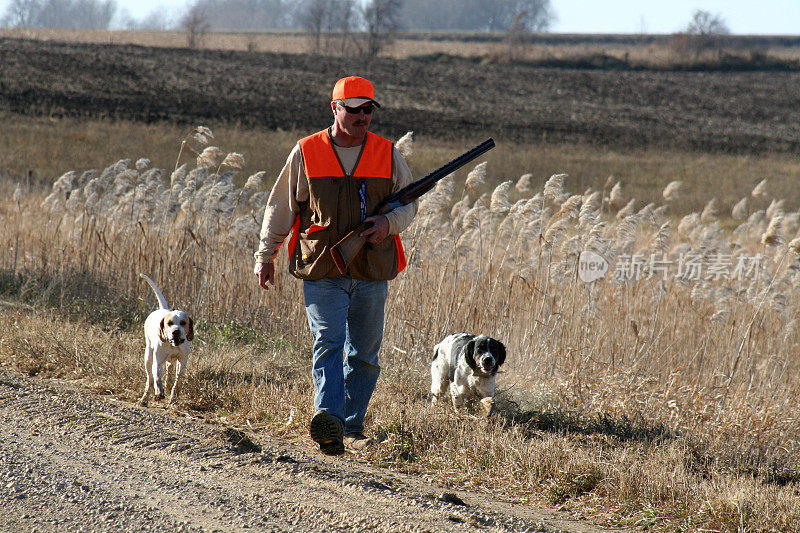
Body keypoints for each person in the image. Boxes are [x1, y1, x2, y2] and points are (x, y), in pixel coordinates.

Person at [253, 76, 417, 455]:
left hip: (372, 268)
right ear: (335, 109)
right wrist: (266, 255)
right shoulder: (306, 151)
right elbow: (281, 207)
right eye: (354, 109)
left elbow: (410, 203)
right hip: (322, 268)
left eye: (368, 110)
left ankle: (352, 425)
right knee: (329, 342)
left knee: (364, 353)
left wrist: (387, 224)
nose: (363, 117)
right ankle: (328, 421)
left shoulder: (387, 153)